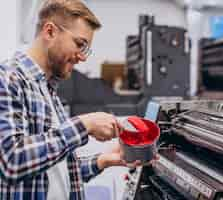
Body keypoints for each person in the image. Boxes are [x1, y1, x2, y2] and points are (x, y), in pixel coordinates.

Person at [0, 0, 145, 199]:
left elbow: (58, 173)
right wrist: (85, 125)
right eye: (80, 44)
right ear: (50, 31)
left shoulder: (48, 89)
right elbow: (12, 161)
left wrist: (104, 160)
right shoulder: (8, 79)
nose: (83, 57)